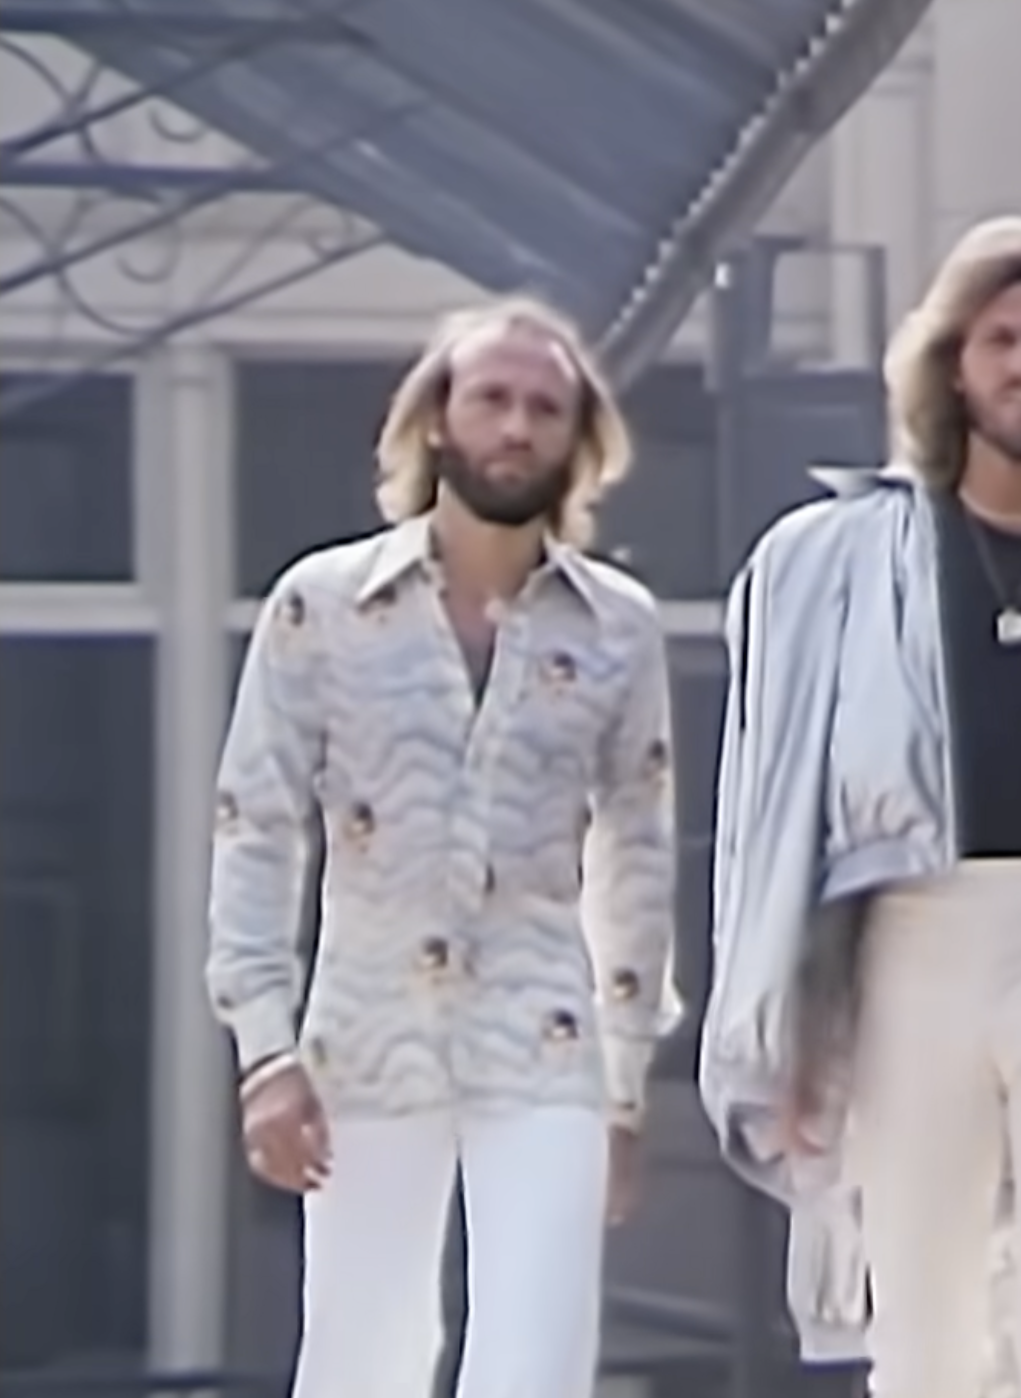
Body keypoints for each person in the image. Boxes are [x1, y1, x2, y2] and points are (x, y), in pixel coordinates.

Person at [696, 215, 1021, 1398]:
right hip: (911, 947)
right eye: (999, 340)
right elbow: (781, 814)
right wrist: (785, 1023)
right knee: (921, 1319)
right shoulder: (868, 553)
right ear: (953, 366)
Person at [205, 295, 683, 1398]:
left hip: (547, 1035)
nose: (516, 427)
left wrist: (622, 1085)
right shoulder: (321, 605)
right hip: (364, 1037)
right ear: (437, 421)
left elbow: (638, 849)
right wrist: (263, 1049)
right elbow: (256, 825)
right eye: (493, 399)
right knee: (361, 1357)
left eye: (544, 409)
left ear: (577, 441)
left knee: (537, 1356)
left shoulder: (616, 624)